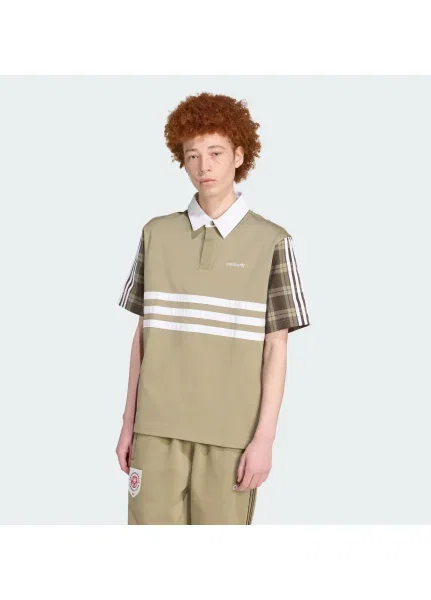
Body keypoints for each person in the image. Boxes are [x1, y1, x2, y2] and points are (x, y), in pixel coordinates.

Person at [115, 92, 310, 525]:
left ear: (239, 155)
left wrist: (264, 439)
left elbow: (276, 349)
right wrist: (129, 423)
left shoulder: (273, 241)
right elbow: (143, 337)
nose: (204, 166)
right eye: (192, 155)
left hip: (230, 437)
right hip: (156, 431)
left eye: (216, 153)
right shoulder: (156, 234)